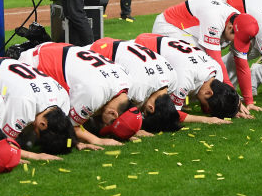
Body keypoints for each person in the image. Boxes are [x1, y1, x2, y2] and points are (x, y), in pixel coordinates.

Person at [87, 38, 229, 128]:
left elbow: (174, 112)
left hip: (124, 44)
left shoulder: (172, 79)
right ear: (150, 107)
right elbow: (113, 111)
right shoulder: (138, 91)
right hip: (100, 50)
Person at [18, 43, 140, 145]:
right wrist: (97, 140)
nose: (105, 126)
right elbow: (69, 125)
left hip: (57, 49)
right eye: (108, 124)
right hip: (34, 62)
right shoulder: (93, 95)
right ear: (113, 113)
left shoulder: (127, 81)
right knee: (33, 135)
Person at [0, 56, 99, 158]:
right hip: (0, 70)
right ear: (43, 125)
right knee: (23, 144)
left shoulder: (63, 100)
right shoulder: (24, 106)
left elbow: (64, 129)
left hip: (5, 67)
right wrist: (35, 155)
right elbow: (3, 144)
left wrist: (75, 142)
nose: (35, 133)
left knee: (27, 142)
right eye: (38, 134)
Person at [132, 34, 241, 119]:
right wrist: (206, 119)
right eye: (207, 106)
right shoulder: (184, 79)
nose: (206, 108)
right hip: (143, 46)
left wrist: (230, 109)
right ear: (208, 93)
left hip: (161, 41)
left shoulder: (216, 70)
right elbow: (173, 114)